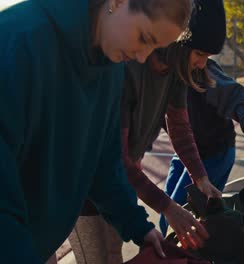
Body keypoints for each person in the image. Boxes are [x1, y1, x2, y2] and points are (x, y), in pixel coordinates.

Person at [0, 0, 192, 262]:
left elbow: (103, 162)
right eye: (144, 37)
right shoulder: (16, 41)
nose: (142, 57)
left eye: (155, 48)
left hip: (35, 245)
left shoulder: (111, 66)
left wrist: (138, 226)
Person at [68, 1, 225, 263]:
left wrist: (200, 177)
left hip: (119, 181)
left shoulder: (176, 72)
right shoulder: (127, 67)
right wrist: (167, 208)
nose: (201, 64)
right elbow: (116, 157)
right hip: (85, 185)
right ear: (179, 41)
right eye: (200, 53)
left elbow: (179, 126)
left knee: (112, 253)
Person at [159, 1, 244, 235]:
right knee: (165, 212)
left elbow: (238, 94)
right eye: (199, 54)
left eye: (207, 56)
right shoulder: (160, 73)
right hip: (185, 152)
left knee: (188, 215)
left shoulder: (203, 72)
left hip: (215, 154)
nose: (202, 62)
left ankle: (207, 250)